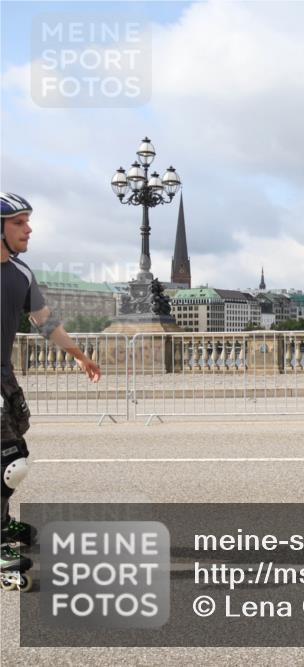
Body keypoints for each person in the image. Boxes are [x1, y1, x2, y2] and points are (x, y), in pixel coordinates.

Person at [1, 193, 101, 586]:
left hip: (4, 376)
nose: (29, 229)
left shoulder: (21, 274)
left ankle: (4, 524)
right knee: (9, 462)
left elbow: (44, 320)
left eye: (27, 220)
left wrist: (78, 354)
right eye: (19, 222)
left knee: (12, 455)